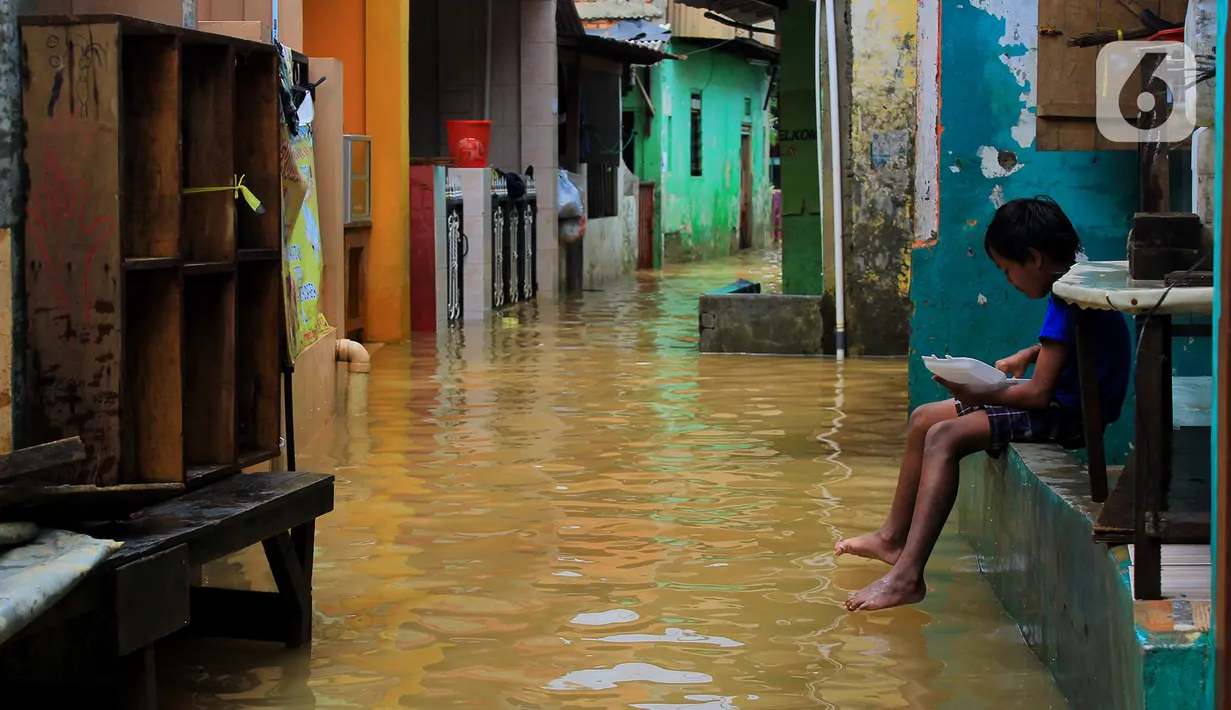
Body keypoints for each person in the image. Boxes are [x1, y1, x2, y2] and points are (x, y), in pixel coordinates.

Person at [835, 195, 1131, 612]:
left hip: (1067, 416)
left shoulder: (1066, 296)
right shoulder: (1075, 278)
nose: (1009, 281)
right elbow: (1075, 343)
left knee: (944, 437)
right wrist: (1030, 356)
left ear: (1034, 258)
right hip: (1064, 402)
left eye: (1008, 270)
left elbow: (1037, 395)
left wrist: (981, 394)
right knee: (922, 419)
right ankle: (891, 539)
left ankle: (907, 577)